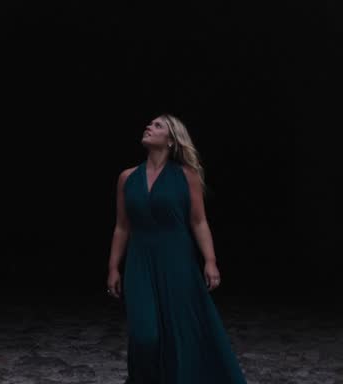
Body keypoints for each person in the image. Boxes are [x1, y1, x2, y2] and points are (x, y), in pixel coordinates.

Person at [106, 114, 247, 384]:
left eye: (157, 125)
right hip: (139, 262)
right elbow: (122, 227)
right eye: (149, 123)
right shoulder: (127, 177)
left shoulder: (186, 176)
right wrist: (113, 267)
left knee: (180, 332)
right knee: (145, 336)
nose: (149, 126)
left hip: (177, 262)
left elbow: (199, 221)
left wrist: (210, 260)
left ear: (171, 140)